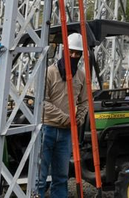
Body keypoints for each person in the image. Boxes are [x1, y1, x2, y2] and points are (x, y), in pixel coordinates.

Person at [37, 32, 87, 198]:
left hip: (66, 133)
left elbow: (84, 101)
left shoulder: (80, 76)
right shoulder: (50, 73)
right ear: (64, 51)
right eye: (71, 52)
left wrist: (78, 118)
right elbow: (42, 103)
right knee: (40, 176)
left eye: (77, 53)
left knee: (61, 176)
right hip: (47, 129)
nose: (73, 56)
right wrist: (66, 118)